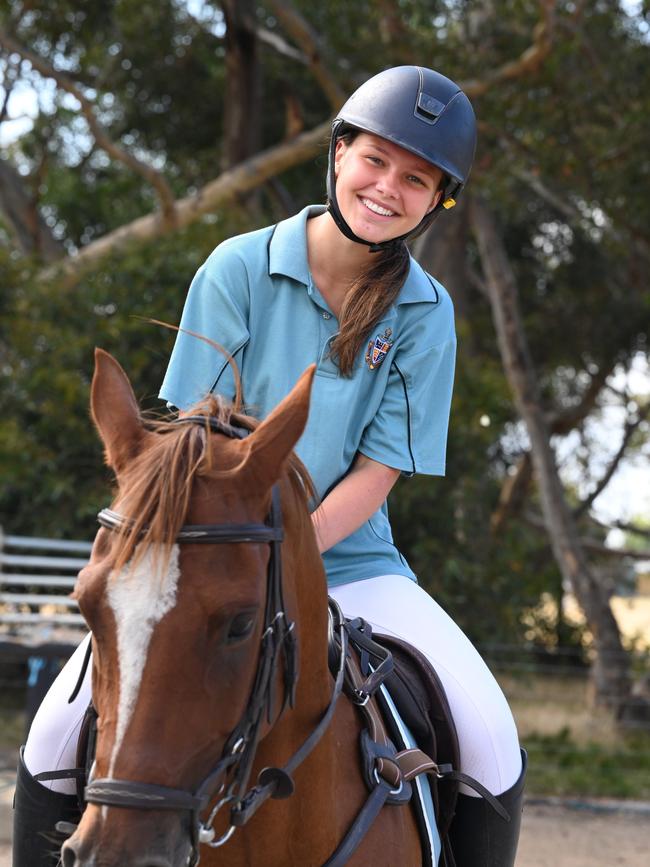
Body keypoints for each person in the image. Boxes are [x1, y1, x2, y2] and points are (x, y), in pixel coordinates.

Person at [14, 66, 525, 866]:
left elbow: (380, 468)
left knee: (489, 731)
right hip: (207, 559)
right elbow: (190, 441)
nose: (388, 188)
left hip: (354, 560)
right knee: (52, 732)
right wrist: (240, 553)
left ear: (437, 201)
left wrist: (294, 555)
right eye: (376, 161)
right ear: (340, 152)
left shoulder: (427, 312)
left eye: (415, 179)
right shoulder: (238, 267)